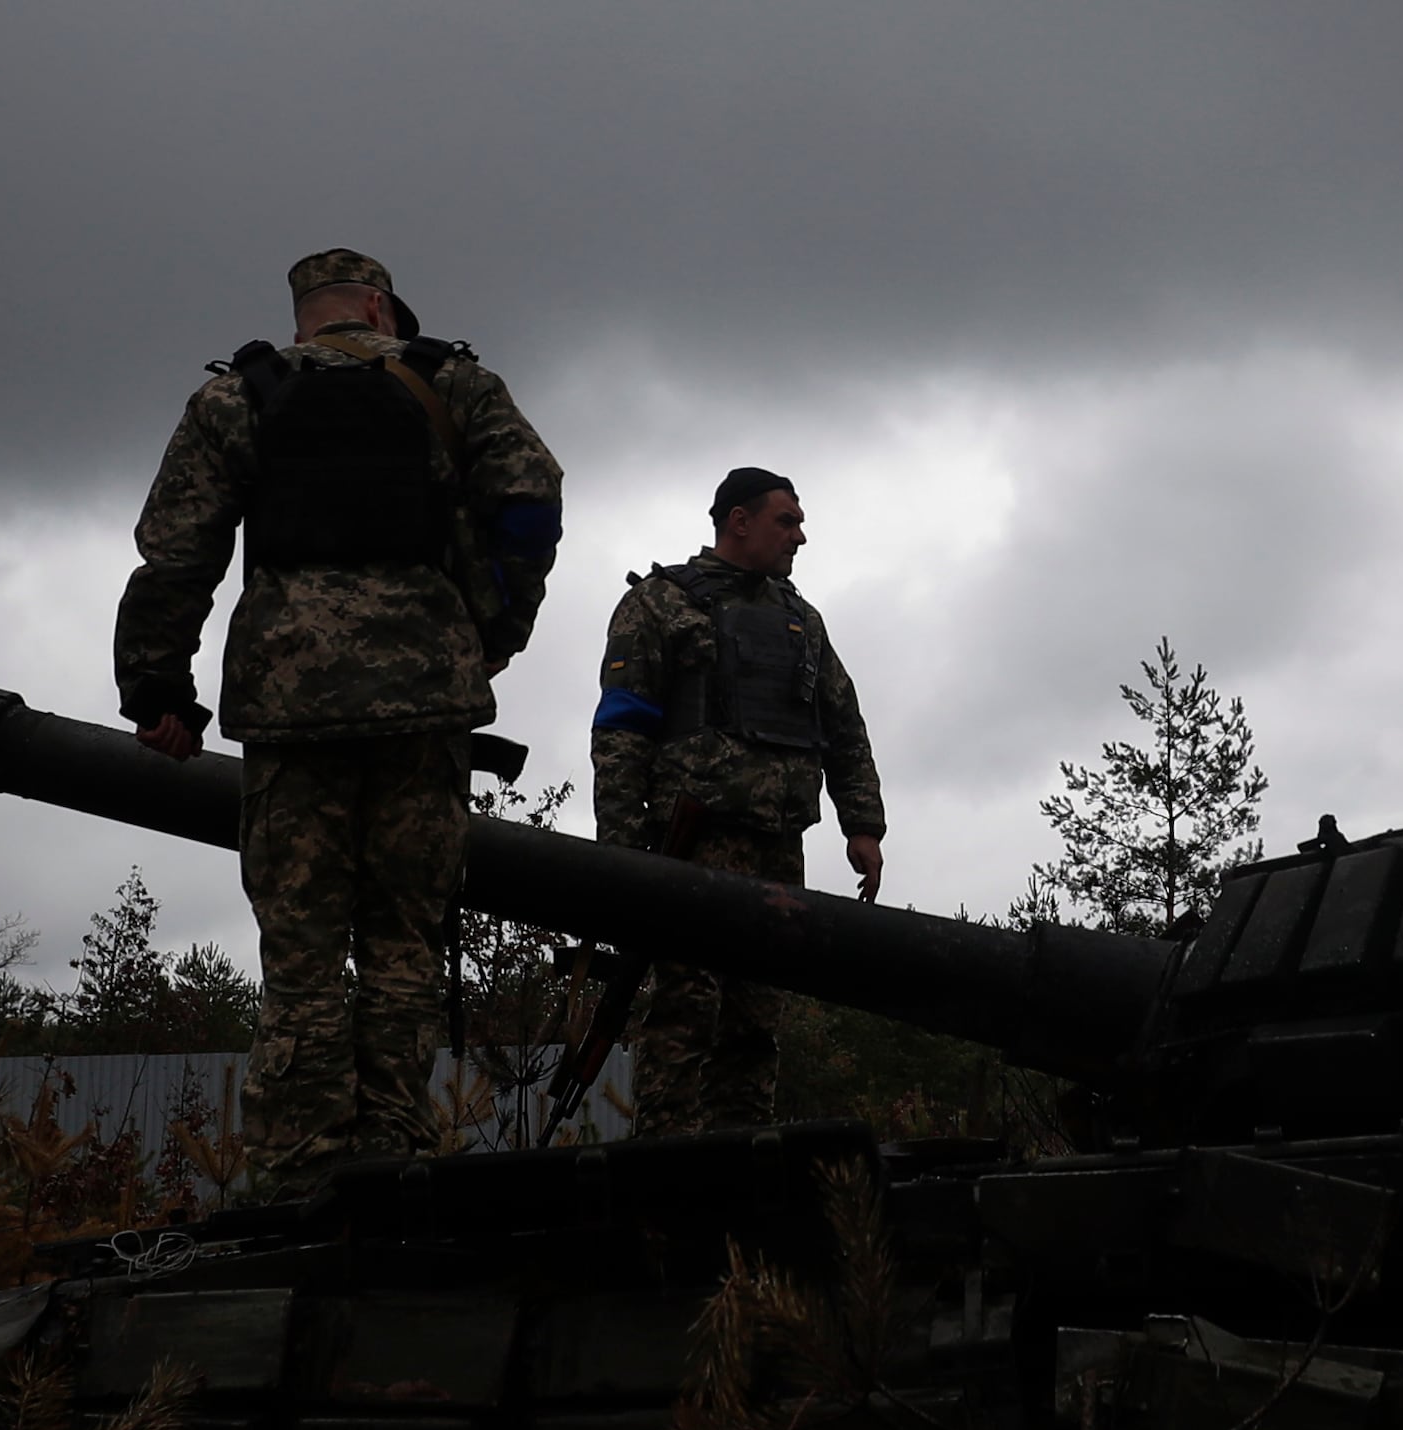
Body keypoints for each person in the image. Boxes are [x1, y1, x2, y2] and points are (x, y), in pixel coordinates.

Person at [113, 249, 564, 1180]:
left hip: (291, 705)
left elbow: (175, 551)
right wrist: (497, 630)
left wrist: (158, 689)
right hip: (425, 700)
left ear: (303, 318)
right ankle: (393, 1153)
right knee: (404, 941)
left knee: (303, 954)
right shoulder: (455, 382)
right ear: (374, 305)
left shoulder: (236, 398)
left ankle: (302, 1167)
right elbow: (530, 501)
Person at [588, 467, 886, 1133]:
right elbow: (622, 731)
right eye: (788, 520)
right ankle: (668, 1170)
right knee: (684, 1016)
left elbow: (842, 724)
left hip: (778, 846)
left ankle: (742, 1169)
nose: (801, 536)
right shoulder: (661, 606)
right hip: (692, 844)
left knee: (757, 1022)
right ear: (739, 521)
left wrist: (863, 823)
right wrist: (620, 853)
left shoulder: (800, 620)